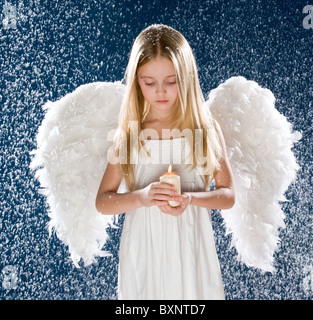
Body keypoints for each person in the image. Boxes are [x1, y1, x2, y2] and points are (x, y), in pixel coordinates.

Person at [95, 24, 235, 300]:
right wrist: (142, 197)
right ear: (136, 81)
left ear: (187, 77)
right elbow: (102, 201)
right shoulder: (129, 134)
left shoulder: (203, 130)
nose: (161, 92)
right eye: (149, 83)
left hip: (192, 249)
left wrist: (191, 199)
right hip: (144, 253)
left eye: (171, 82)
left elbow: (228, 195)